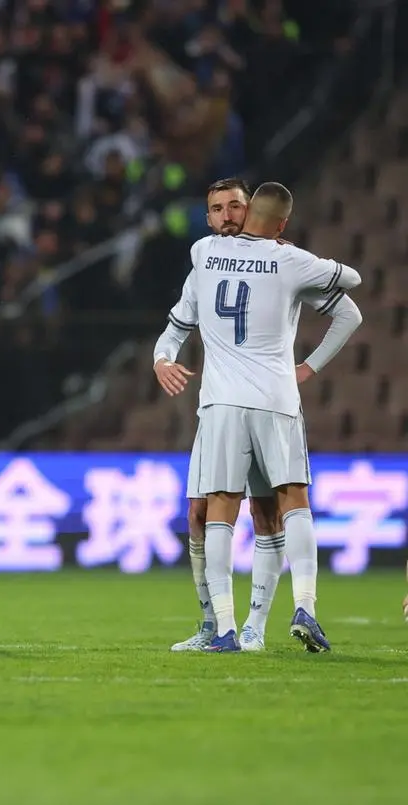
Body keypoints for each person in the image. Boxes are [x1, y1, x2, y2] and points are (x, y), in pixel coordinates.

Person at [154, 178, 362, 652]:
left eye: (235, 208)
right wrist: (308, 367)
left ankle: (238, 628)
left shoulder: (203, 252)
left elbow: (347, 312)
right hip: (275, 400)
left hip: (223, 403)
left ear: (248, 213)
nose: (226, 216)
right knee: (291, 501)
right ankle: (298, 605)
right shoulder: (287, 260)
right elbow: (351, 297)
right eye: (217, 208)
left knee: (230, 509)